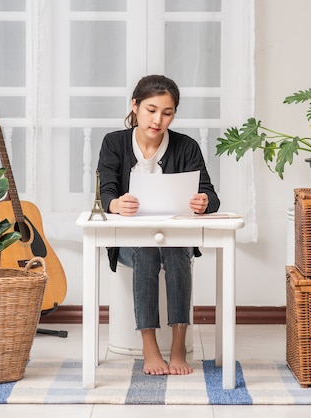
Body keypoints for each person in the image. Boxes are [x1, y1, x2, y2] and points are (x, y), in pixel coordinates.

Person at [96, 75, 220, 376]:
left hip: (175, 239)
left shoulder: (186, 146)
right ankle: (149, 347)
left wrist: (203, 202)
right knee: (147, 251)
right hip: (131, 244)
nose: (158, 120)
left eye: (167, 112)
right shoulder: (114, 143)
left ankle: (178, 348)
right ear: (135, 106)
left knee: (177, 250)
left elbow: (212, 196)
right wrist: (115, 204)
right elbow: (105, 192)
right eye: (151, 110)